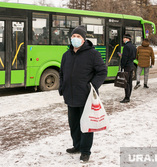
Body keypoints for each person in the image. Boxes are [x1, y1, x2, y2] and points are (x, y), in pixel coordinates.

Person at [59, 25, 107, 162]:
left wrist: (91, 86)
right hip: (70, 95)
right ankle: (77, 146)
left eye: (78, 36)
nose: (75, 38)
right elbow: (61, 73)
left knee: (86, 124)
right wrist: (62, 87)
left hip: (86, 96)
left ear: (84, 39)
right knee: (73, 124)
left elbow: (102, 71)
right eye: (73, 36)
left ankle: (85, 151)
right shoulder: (66, 55)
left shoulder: (93, 54)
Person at [119, 34, 136, 103]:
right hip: (131, 65)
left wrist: (122, 66)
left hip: (127, 67)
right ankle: (128, 96)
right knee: (130, 82)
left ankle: (126, 98)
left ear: (127, 39)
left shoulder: (126, 47)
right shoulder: (133, 46)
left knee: (126, 83)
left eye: (124, 38)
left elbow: (124, 58)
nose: (123, 39)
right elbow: (134, 56)